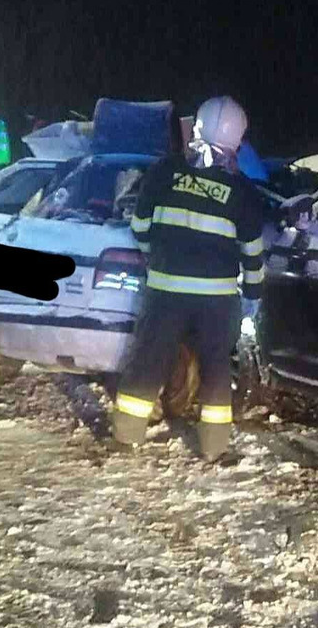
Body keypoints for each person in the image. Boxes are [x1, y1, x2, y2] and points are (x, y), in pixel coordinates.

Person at [110, 96, 265, 461]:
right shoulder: (243, 191)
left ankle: (126, 436)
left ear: (197, 128)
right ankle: (214, 448)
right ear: (238, 140)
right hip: (218, 301)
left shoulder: (164, 172)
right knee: (216, 370)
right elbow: (252, 253)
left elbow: (140, 228)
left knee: (147, 361)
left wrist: (158, 258)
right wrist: (253, 294)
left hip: (165, 292)